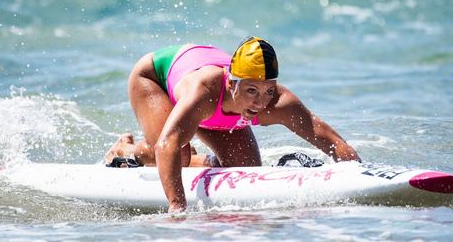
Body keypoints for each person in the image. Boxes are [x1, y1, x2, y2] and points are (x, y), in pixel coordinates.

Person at [105, 36, 361, 212]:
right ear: (231, 84)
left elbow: (329, 140)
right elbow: (167, 144)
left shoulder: (278, 102)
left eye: (268, 91)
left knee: (245, 168)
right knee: (177, 152)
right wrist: (177, 209)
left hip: (204, 104)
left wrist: (359, 175)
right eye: (252, 91)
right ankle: (126, 151)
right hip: (155, 78)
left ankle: (199, 157)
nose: (261, 103)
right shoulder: (204, 91)